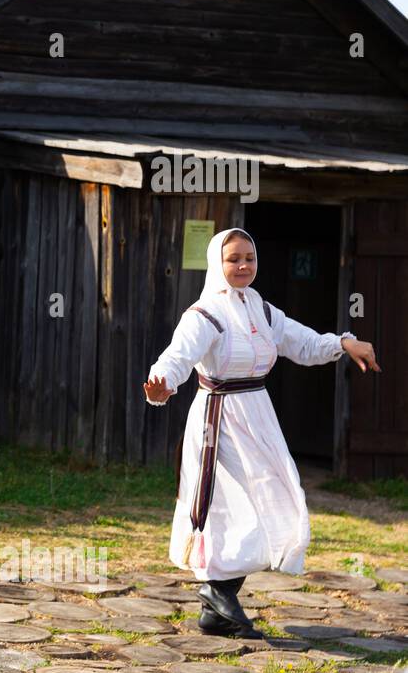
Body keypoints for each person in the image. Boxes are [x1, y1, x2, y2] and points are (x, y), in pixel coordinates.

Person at [143, 227, 379, 638]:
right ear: (219, 262)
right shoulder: (204, 315)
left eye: (249, 258)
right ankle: (218, 591)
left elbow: (301, 343)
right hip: (219, 420)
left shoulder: (262, 309)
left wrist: (343, 344)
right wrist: (161, 383)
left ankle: (217, 606)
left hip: (258, 414)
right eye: (234, 259)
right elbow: (176, 357)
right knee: (228, 505)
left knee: (274, 495)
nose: (243, 266)